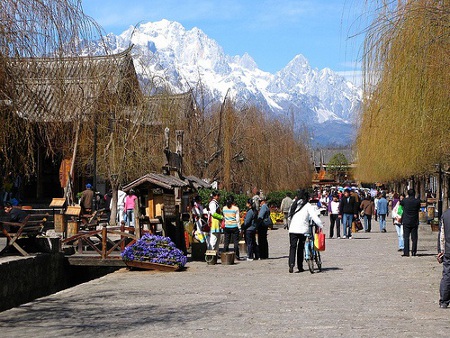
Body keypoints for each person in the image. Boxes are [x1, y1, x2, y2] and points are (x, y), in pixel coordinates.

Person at [288, 189, 324, 273]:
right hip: (303, 230)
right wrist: (320, 225)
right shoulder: (307, 205)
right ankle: (300, 266)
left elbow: (289, 216)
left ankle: (291, 265)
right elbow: (314, 217)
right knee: (301, 248)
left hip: (293, 229)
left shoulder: (294, 204)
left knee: (292, 247)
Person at [400, 188, 421, 257]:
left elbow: (401, 204)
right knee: (414, 238)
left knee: (406, 237)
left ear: (408, 194)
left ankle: (406, 252)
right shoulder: (417, 201)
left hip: (406, 221)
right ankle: (414, 252)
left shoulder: (405, 201)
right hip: (414, 221)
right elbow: (419, 208)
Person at [438, 207, 450, 308]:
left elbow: (442, 235)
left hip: (448, 250)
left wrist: (441, 251)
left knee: (447, 275)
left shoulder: (446, 215)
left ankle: (444, 301)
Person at [222, 195, 240, 260]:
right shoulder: (236, 208)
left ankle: (225, 255)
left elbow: (224, 217)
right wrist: (239, 227)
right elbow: (237, 219)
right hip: (234, 226)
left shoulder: (224, 208)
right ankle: (236, 256)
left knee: (226, 241)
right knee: (235, 242)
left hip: (227, 226)